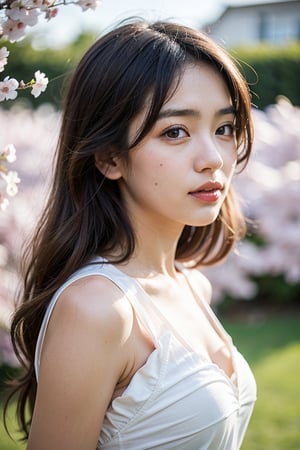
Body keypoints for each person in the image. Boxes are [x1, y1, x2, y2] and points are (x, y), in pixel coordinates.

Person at [5, 19, 257, 449]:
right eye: (175, 132)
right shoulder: (97, 309)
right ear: (108, 158)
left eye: (225, 128)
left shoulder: (191, 283)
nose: (213, 158)